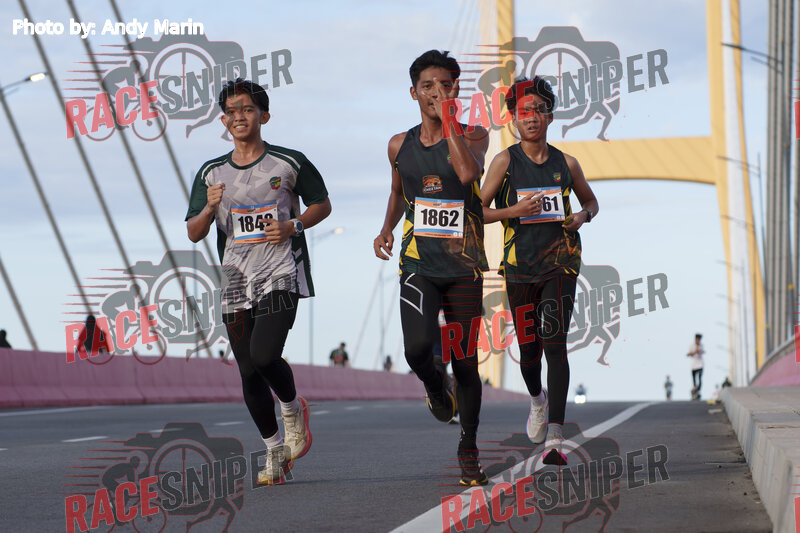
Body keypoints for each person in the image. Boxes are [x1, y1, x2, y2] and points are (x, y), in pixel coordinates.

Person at [186, 78, 331, 485]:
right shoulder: (211, 173)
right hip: (235, 280)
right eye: (231, 112)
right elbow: (194, 232)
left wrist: (293, 226)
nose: (239, 117)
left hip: (281, 272)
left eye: (247, 109)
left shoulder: (288, 162)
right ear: (223, 121)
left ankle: (292, 409)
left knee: (265, 356)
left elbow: (322, 204)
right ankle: (274, 453)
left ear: (263, 116)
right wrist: (209, 208)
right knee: (248, 372)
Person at [373, 50, 490, 486]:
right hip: (418, 263)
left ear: (456, 90)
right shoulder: (398, 145)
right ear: (413, 93)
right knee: (417, 349)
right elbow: (397, 190)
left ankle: (469, 448)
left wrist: (449, 121)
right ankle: (436, 389)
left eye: (444, 85)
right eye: (427, 86)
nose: (435, 93)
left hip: (463, 267)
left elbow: (466, 174)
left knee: (466, 361)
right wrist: (385, 228)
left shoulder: (475, 135)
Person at [480, 76, 599, 466]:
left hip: (560, 263)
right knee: (528, 351)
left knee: (555, 343)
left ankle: (556, 438)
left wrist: (582, 216)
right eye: (523, 111)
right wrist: (512, 211)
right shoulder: (505, 162)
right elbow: (477, 211)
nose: (531, 117)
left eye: (539, 110)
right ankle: (537, 399)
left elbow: (591, 202)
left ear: (550, 115)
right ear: (513, 118)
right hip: (519, 268)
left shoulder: (567, 163)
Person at [687, 333, 704, 399]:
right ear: (695, 339)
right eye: (698, 339)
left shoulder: (701, 345)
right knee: (694, 380)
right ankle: (694, 390)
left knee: (700, 378)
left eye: (699, 340)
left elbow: (702, 352)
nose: (698, 341)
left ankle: (698, 391)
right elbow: (688, 354)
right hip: (694, 366)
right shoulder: (691, 346)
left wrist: (699, 350)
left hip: (700, 365)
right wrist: (695, 352)